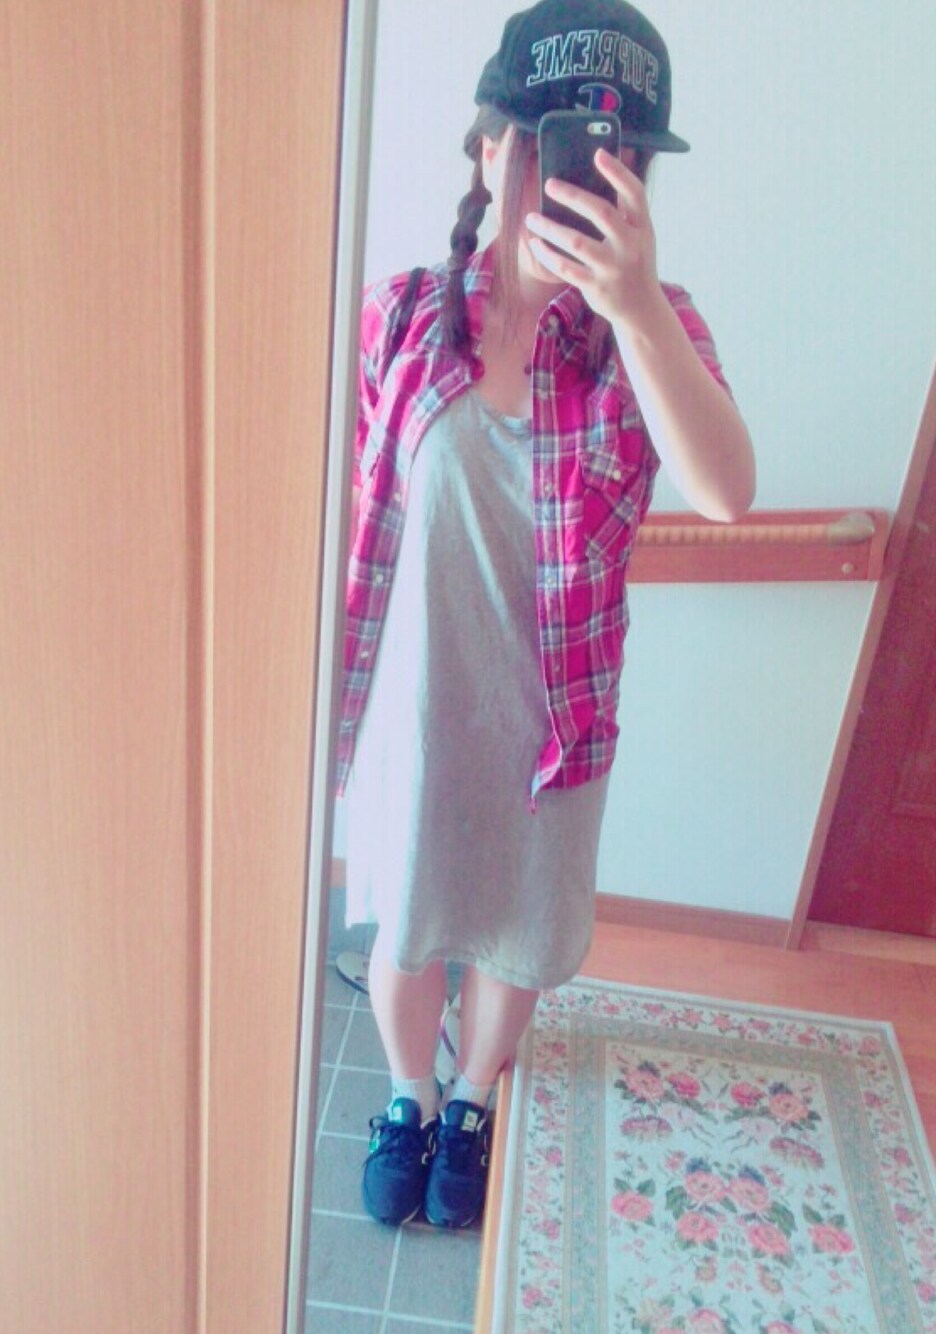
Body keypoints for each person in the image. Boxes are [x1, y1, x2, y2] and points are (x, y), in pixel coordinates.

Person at [337, 0, 755, 1230]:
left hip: (553, 734)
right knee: (408, 933)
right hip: (415, 718)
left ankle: (472, 1093)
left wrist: (636, 307)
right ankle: (410, 1094)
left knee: (517, 934)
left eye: (619, 162)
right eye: (563, 151)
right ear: (493, 147)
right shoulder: (399, 317)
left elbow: (726, 489)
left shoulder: (650, 336)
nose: (587, 185)